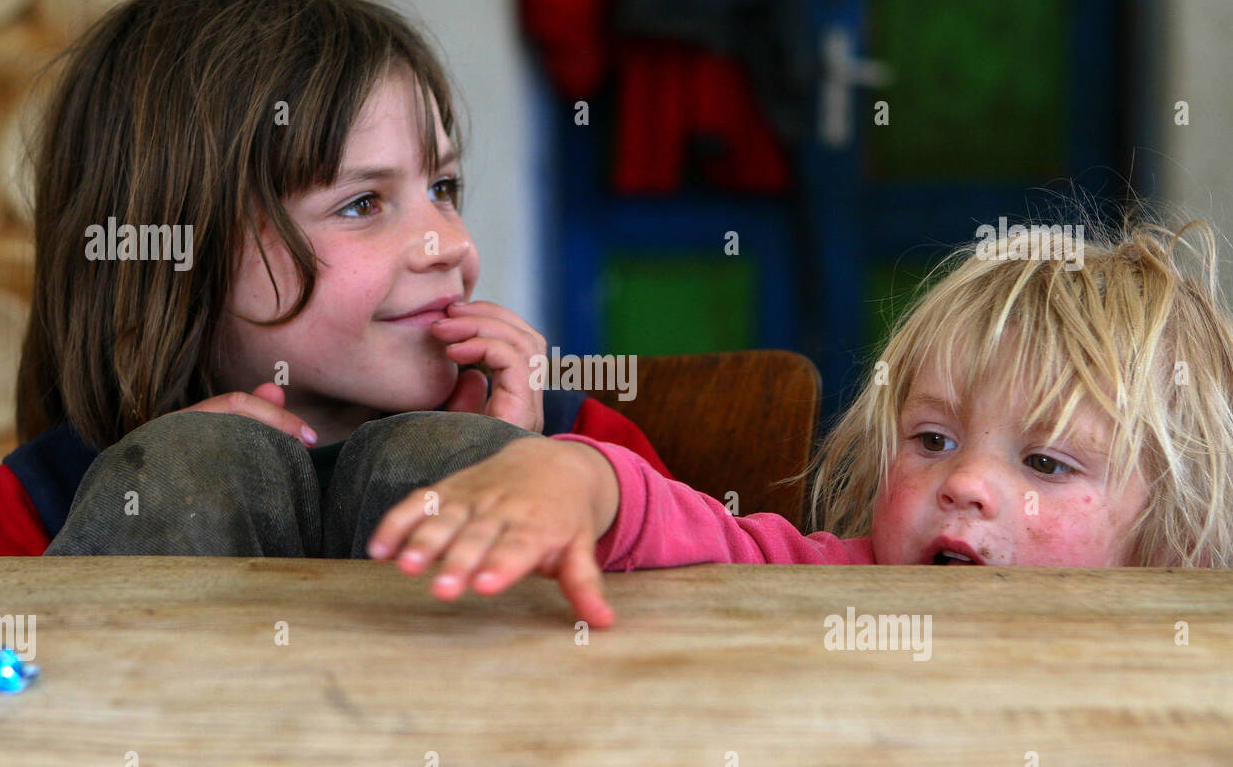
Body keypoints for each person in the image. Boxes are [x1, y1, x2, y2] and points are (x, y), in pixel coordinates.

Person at [0, 0, 668, 558]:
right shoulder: (50, 494)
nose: (447, 242)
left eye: (443, 188)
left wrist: (543, 475)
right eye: (362, 204)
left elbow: (760, 580)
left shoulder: (572, 446)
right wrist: (160, 498)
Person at [369, 219, 1233, 626]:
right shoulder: (830, 580)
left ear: (1172, 536)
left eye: (1045, 463)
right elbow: (694, 530)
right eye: (932, 441)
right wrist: (575, 477)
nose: (964, 484)